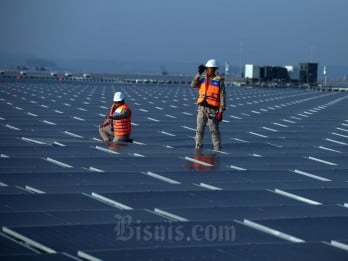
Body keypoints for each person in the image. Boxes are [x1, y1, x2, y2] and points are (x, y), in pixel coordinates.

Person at [191, 59, 226, 151]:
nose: (207, 70)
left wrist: (221, 112)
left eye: (209, 68)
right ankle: (198, 146)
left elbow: (223, 97)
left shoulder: (219, 81)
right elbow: (193, 85)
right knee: (199, 130)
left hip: (213, 110)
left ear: (214, 69)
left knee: (214, 131)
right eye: (207, 68)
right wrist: (198, 73)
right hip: (202, 108)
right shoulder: (202, 78)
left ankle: (217, 147)